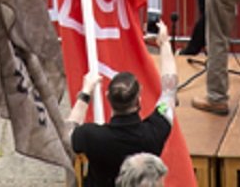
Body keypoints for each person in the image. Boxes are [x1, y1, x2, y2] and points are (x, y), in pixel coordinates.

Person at [67, 26, 177, 187]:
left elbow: (66, 134)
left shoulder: (91, 136)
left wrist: (85, 94)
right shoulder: (156, 129)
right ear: (139, 100)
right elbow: (169, 91)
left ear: (107, 98)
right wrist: (165, 44)